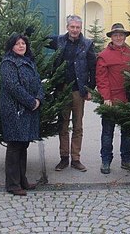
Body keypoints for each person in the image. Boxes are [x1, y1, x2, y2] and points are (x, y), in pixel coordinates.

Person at [48, 15, 97, 172]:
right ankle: (64, 158)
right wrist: (26, 28)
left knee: (77, 126)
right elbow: (39, 39)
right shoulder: (59, 41)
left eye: (77, 27)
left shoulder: (87, 44)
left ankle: (76, 159)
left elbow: (93, 68)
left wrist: (90, 89)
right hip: (61, 90)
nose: (75, 30)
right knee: (62, 125)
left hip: (78, 91)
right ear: (67, 27)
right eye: (72, 27)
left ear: (80, 28)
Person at [0, 33, 44, 196]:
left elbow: (38, 82)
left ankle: (22, 180)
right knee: (14, 146)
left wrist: (39, 98)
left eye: (23, 43)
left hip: (28, 109)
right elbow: (12, 86)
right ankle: (12, 184)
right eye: (18, 43)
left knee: (23, 144)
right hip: (14, 110)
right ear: (12, 46)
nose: (21, 46)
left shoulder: (29, 61)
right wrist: (31, 102)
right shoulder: (8, 63)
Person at [96, 23, 130, 174]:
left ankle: (127, 160)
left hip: (128, 100)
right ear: (111, 37)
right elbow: (101, 79)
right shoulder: (104, 55)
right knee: (108, 132)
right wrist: (106, 97)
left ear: (125, 36)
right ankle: (106, 160)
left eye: (121, 35)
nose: (119, 37)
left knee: (127, 131)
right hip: (111, 100)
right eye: (116, 35)